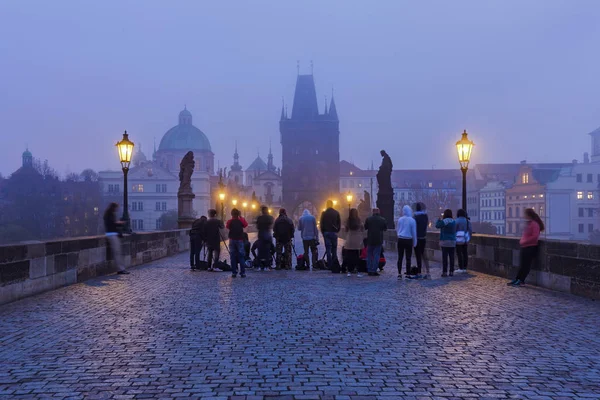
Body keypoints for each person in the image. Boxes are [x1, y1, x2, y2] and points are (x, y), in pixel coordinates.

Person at [508, 208, 544, 287]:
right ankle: (517, 279)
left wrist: (524, 241)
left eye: (525, 214)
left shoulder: (534, 224)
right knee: (522, 264)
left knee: (526, 265)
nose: (524, 216)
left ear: (529, 215)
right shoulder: (529, 224)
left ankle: (521, 281)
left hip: (530, 247)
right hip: (525, 247)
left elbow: (535, 237)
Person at [103, 202, 129, 275]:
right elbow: (112, 224)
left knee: (118, 252)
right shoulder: (109, 215)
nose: (117, 209)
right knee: (117, 253)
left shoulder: (109, 214)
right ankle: (120, 269)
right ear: (113, 207)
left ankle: (121, 268)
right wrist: (119, 223)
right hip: (112, 234)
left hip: (111, 234)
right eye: (116, 208)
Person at [364, 208, 387, 276]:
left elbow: (365, 227)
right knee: (376, 255)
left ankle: (369, 269)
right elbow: (385, 228)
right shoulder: (382, 219)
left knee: (369, 255)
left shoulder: (368, 219)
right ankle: (374, 270)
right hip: (378, 239)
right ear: (379, 212)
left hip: (370, 239)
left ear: (373, 212)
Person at [226, 208, 248, 278]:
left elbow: (227, 226)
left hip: (232, 239)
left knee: (232, 256)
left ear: (231, 214)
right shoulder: (240, 220)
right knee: (241, 256)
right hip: (240, 239)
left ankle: (234, 272)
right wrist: (240, 216)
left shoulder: (230, 221)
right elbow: (245, 225)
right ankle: (242, 273)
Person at [396, 205, 417, 279]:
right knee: (408, 257)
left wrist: (398, 236)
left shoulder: (400, 219)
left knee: (400, 257)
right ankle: (408, 273)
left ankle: (399, 273)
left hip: (401, 239)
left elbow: (397, 230)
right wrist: (415, 242)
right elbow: (414, 232)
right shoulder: (412, 220)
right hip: (408, 239)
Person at [320, 200, 341, 269]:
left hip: (326, 232)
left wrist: (323, 232)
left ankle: (329, 265)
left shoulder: (324, 213)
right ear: (332, 205)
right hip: (334, 232)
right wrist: (337, 230)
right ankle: (335, 264)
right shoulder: (336, 213)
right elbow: (339, 223)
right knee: (334, 249)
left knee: (328, 249)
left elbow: (321, 224)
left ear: (326, 205)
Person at [435, 209, 457, 277]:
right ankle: (451, 271)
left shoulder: (445, 221)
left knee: (445, 258)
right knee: (452, 257)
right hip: (452, 241)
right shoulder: (453, 221)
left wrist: (438, 220)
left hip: (445, 241)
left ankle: (445, 272)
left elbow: (437, 225)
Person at [344, 208, 364, 277]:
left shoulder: (348, 220)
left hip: (350, 239)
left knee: (349, 255)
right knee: (357, 255)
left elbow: (346, 230)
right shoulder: (359, 220)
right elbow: (362, 229)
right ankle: (357, 270)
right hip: (357, 240)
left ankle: (349, 270)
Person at [413, 202, 430, 279]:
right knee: (424, 255)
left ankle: (419, 272)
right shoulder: (425, 216)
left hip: (417, 238)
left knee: (418, 255)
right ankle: (427, 271)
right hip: (424, 237)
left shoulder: (415, 217)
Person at [256, 206, 274, 271]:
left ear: (262, 211)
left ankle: (259, 265)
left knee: (260, 251)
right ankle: (267, 266)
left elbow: (257, 227)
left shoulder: (259, 218)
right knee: (267, 251)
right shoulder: (269, 217)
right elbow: (272, 223)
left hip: (261, 235)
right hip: (267, 235)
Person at [455, 209, 472, 274]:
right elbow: (470, 231)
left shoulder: (456, 221)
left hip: (458, 239)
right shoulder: (467, 221)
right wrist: (468, 238)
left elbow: (454, 231)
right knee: (465, 253)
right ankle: (465, 267)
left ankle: (460, 267)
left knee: (459, 253)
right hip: (465, 239)